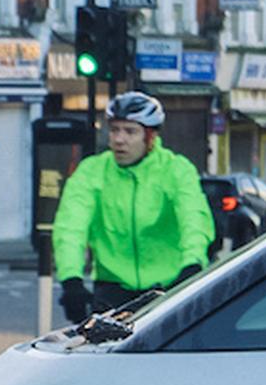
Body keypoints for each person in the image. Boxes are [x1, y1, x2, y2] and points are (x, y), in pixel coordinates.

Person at [52, 89, 215, 322]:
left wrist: (192, 264)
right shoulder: (92, 171)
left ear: (150, 137)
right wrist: (71, 280)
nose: (119, 139)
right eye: (115, 130)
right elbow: (70, 226)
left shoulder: (176, 169)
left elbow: (194, 218)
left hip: (169, 287)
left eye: (130, 131)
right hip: (112, 291)